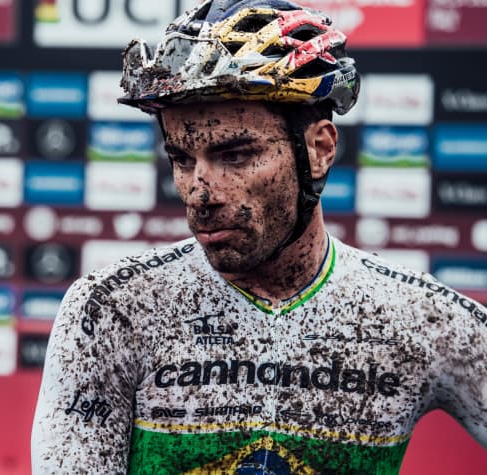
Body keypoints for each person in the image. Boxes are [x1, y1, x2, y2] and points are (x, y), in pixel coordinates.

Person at [31, 0, 487, 473]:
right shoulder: (114, 310)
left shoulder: (420, 319)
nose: (200, 193)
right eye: (182, 159)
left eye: (234, 154)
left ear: (319, 150)